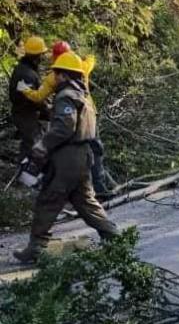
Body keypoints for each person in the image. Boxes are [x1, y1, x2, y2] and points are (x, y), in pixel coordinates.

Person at [13, 51, 118, 263]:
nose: (55, 77)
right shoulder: (83, 95)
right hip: (83, 154)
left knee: (48, 199)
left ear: (65, 75)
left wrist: (43, 145)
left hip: (68, 157)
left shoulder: (66, 96)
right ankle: (113, 237)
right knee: (85, 201)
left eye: (57, 73)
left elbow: (63, 127)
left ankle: (36, 247)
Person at [17, 41, 114, 196]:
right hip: (89, 114)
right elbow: (91, 58)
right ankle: (99, 187)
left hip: (70, 117)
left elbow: (39, 97)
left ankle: (80, 191)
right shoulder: (83, 66)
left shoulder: (53, 77)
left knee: (73, 152)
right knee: (94, 149)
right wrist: (86, 55)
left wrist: (25, 90)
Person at [9, 36, 49, 160]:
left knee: (29, 144)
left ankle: (23, 172)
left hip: (23, 113)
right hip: (25, 115)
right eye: (41, 54)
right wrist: (47, 110)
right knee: (35, 145)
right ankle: (26, 175)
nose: (43, 57)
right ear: (36, 56)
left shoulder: (23, 68)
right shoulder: (27, 74)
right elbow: (33, 99)